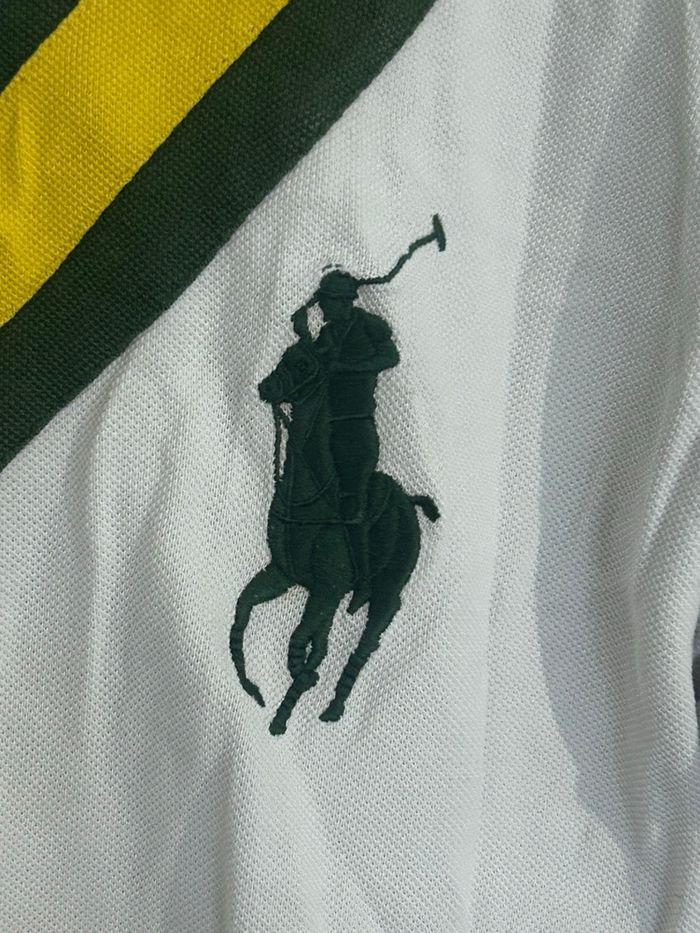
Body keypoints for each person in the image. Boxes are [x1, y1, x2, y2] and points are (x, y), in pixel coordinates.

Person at [308, 270, 399, 609]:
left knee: (350, 504)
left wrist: (345, 367)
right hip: (328, 427)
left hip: (357, 428)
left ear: (343, 302)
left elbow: (390, 357)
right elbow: (313, 366)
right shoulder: (327, 334)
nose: (323, 309)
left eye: (327, 303)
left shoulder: (370, 326)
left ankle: (363, 580)